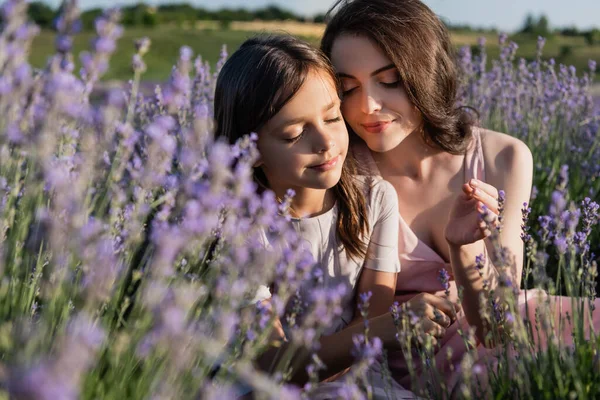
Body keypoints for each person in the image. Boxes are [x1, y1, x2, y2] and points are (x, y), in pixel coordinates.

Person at [321, 0, 600, 394]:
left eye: (390, 81)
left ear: (426, 74)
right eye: (348, 88)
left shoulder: (503, 156)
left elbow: (496, 321)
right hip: (411, 360)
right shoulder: (339, 169)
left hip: (509, 331)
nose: (367, 105)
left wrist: (463, 250)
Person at [214, 34, 418, 398]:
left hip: (353, 379)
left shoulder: (375, 201)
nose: (326, 142)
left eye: (332, 117)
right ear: (250, 150)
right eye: (294, 133)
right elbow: (272, 363)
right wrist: (383, 330)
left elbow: (370, 321)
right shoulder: (239, 227)